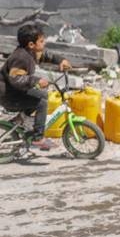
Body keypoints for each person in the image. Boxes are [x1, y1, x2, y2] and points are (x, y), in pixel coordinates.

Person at [0, 22, 72, 152]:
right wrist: (36, 80)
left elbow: (46, 56)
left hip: (15, 91)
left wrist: (61, 60)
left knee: (43, 95)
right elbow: (15, 79)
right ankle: (38, 137)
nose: (44, 44)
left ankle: (20, 118)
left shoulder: (30, 53)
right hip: (7, 95)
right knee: (41, 103)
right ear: (31, 45)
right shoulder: (21, 57)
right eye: (42, 41)